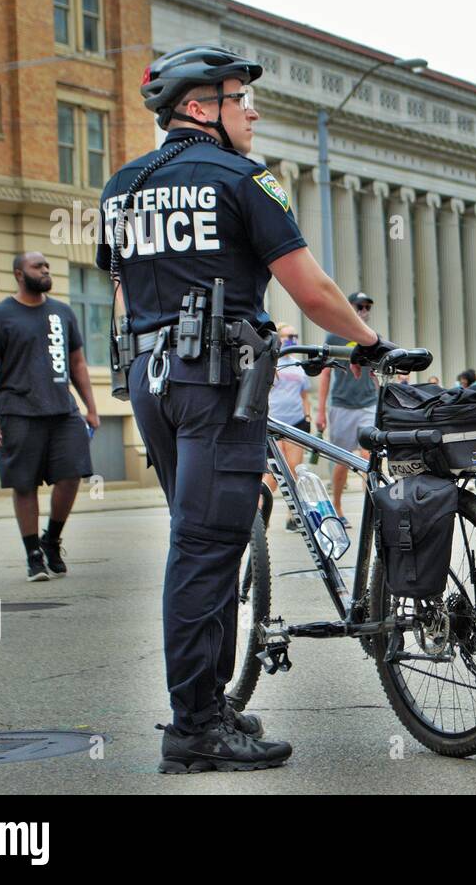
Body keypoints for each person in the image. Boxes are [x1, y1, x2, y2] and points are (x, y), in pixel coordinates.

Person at [102, 44, 393, 771]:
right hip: (217, 381)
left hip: (150, 377)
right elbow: (311, 289)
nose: (252, 110)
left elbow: (122, 292)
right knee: (205, 547)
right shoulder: (243, 178)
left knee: (203, 538)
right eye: (240, 98)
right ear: (201, 108)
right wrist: (371, 344)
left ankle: (210, 705)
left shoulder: (122, 186)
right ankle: (195, 728)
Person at [0, 252, 98, 582]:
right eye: (37, 267)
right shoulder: (0, 315)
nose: (45, 270)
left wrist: (91, 408)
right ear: (19, 273)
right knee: (24, 483)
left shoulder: (62, 312)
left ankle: (52, 539)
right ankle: (33, 554)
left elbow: (78, 365)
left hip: (63, 410)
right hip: (17, 410)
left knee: (73, 473)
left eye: (46, 266)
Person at [316, 291, 380, 527]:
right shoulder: (334, 337)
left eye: (367, 307)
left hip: (368, 404)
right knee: (341, 460)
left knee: (368, 457)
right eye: (359, 307)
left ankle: (372, 511)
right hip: (342, 404)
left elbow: (376, 374)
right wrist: (321, 411)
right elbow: (325, 374)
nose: (364, 311)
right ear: (349, 308)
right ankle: (337, 506)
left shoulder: (373, 337)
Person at [264, 323, 312, 532]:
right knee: (274, 471)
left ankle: (293, 516)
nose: (292, 339)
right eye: (288, 336)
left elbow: (304, 395)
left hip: (296, 421)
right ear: (279, 339)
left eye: (295, 335)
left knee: (294, 468)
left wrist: (308, 415)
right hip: (273, 421)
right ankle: (259, 514)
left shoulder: (298, 365)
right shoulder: (269, 362)